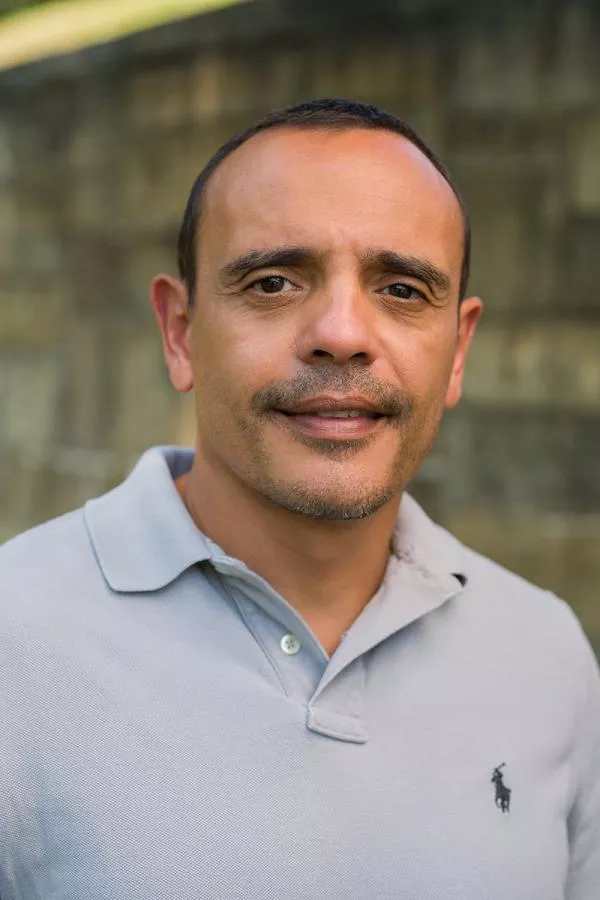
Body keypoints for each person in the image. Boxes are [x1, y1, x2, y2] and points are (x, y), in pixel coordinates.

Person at [0, 98, 598, 900]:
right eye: (274, 281)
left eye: (403, 289)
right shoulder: (16, 638)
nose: (342, 332)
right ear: (180, 332)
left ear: (458, 351)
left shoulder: (546, 653)